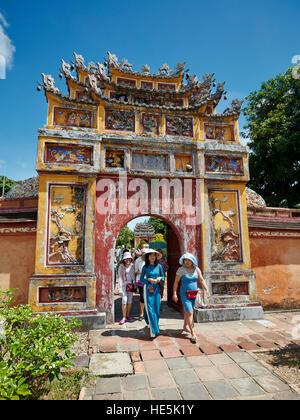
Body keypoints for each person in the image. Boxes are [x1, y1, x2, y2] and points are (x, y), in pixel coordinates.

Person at [172, 252, 210, 343]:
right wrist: (174, 293)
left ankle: (185, 326)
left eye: (189, 260)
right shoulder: (181, 270)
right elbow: (176, 282)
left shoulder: (196, 269)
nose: (187, 262)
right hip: (185, 293)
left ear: (192, 261)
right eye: (185, 260)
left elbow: (201, 280)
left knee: (188, 311)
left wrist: (207, 289)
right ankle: (193, 333)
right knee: (190, 312)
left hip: (194, 294)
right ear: (183, 261)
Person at [140, 249, 165, 339]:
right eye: (151, 255)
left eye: (154, 255)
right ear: (147, 257)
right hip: (148, 289)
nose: (153, 257)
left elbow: (163, 277)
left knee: (156, 309)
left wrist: (160, 278)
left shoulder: (159, 266)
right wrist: (148, 280)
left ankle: (153, 324)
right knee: (150, 309)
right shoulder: (145, 267)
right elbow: (141, 279)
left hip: (157, 290)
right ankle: (153, 331)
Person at [117, 251, 136, 325]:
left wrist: (135, 284)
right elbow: (119, 277)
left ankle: (128, 315)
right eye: (126, 259)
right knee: (124, 300)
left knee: (130, 301)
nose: (128, 260)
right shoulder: (121, 267)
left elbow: (134, 275)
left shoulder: (132, 266)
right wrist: (119, 288)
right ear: (124, 260)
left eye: (129, 259)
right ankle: (124, 317)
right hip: (124, 285)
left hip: (130, 284)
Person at [134, 248, 146, 320]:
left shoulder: (149, 260)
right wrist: (143, 272)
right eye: (143, 253)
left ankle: (147, 312)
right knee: (142, 296)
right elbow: (136, 271)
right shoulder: (138, 260)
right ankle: (141, 313)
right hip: (140, 280)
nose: (144, 254)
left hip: (148, 280)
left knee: (148, 296)